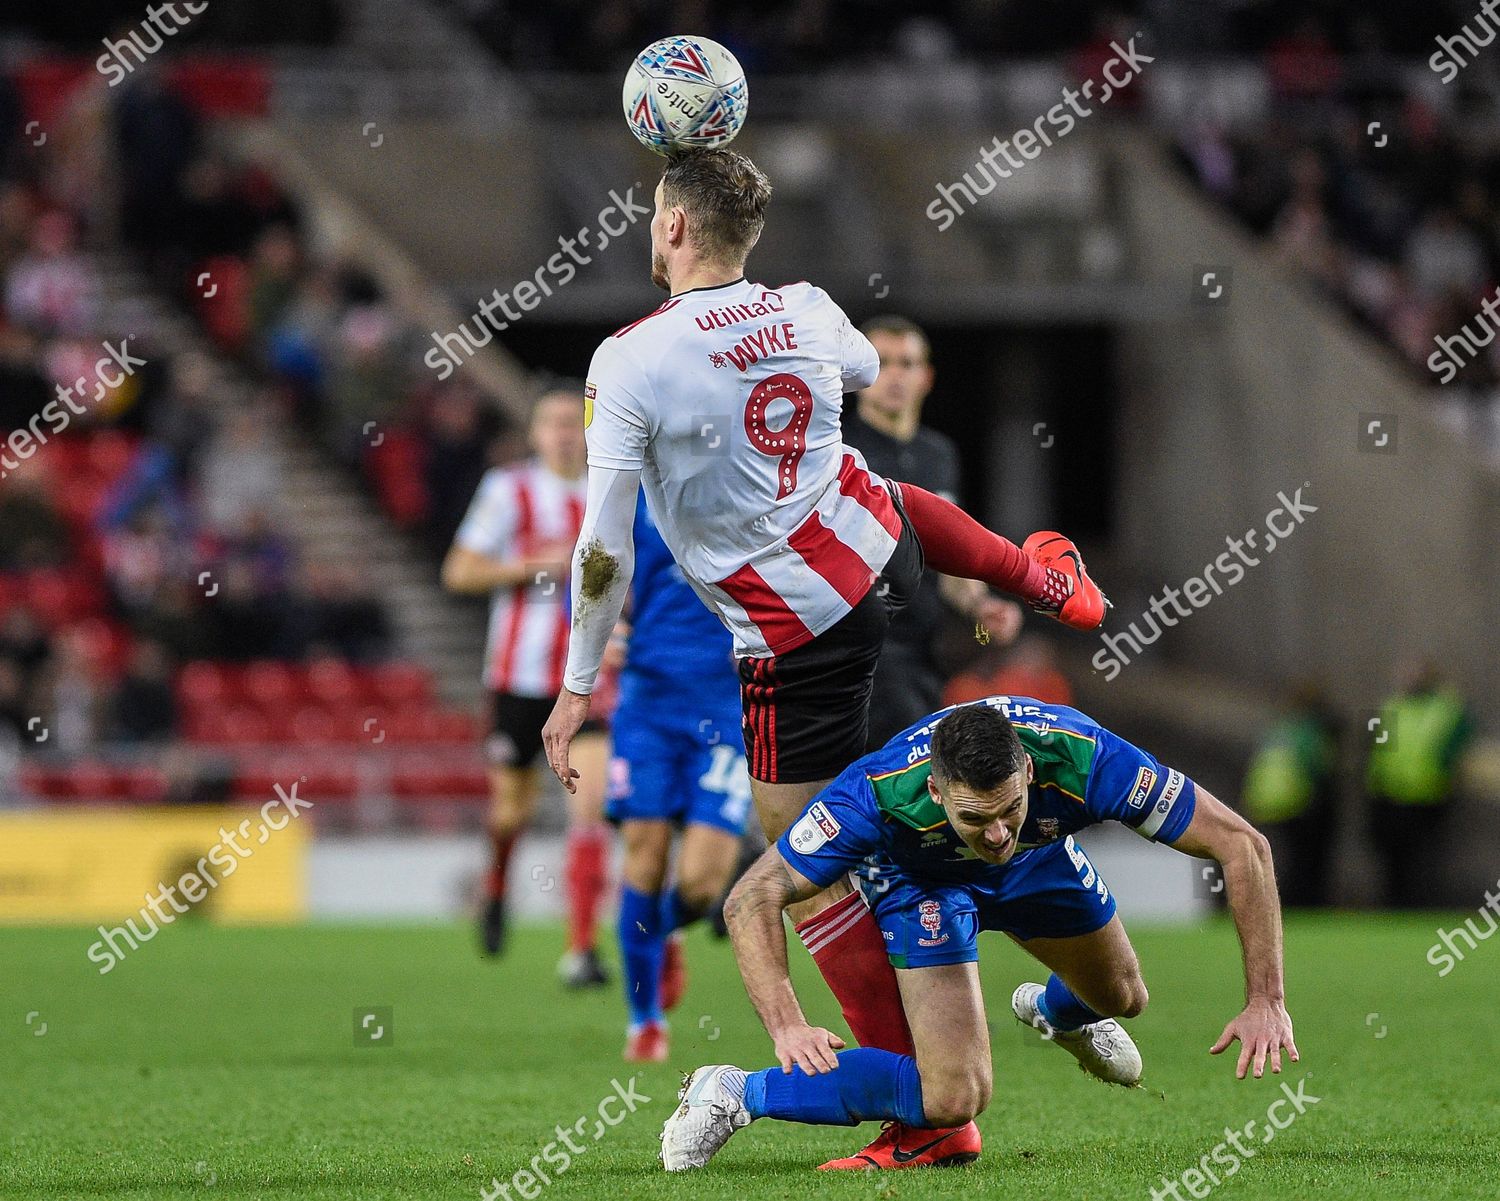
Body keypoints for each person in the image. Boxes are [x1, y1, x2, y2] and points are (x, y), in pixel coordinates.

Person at [540, 147, 1108, 1165]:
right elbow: (856, 371)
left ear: (671, 228)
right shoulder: (804, 305)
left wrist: (579, 683)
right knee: (872, 488)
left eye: (655, 212)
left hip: (796, 637)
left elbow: (603, 548)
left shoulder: (629, 358)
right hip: (886, 562)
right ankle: (1030, 571)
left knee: (806, 862)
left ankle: (921, 1112)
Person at [662, 698, 1298, 1172]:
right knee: (952, 1097)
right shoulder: (879, 793)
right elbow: (751, 898)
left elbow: (1243, 845)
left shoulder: (1083, 758)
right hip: (923, 886)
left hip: (1037, 861)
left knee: (1123, 995)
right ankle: (735, 1092)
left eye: (1009, 808)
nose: (995, 832)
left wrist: (1265, 998)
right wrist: (788, 1026)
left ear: (1026, 770)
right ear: (937, 791)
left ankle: (1052, 1012)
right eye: (975, 817)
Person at [441, 388, 612, 984]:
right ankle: (495, 888)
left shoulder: (612, 489)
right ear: (535, 433)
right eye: (551, 423)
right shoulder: (507, 489)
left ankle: (581, 950)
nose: (564, 433)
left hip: (589, 678)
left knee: (588, 806)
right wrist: (536, 565)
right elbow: (458, 571)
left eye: (573, 423)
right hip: (519, 676)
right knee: (510, 810)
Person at [609, 494, 753, 1062]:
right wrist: (606, 629)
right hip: (647, 705)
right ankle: (644, 1020)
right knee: (643, 854)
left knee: (701, 883)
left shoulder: (744, 482)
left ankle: (661, 930)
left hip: (723, 709)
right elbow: (600, 563)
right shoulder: (632, 489)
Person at [842, 314, 1022, 748]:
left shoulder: (939, 455)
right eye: (882, 362)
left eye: (907, 363)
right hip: (856, 652)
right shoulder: (836, 451)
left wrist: (981, 606)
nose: (895, 375)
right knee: (912, 766)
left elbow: (950, 556)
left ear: (926, 377)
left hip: (924, 650)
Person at [1365, 661, 1474, 909]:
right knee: (1393, 857)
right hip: (1391, 794)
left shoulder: (1445, 708)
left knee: (1423, 859)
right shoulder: (1393, 707)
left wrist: (1445, 769)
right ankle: (1394, 906)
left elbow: (1460, 735)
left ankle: (1422, 906)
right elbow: (1378, 744)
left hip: (1428, 795)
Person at [1241, 683, 1339, 907]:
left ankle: (1273, 903)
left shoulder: (1275, 732)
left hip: (1263, 804)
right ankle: (1300, 904)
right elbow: (1318, 769)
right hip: (1293, 804)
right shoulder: (1308, 733)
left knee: (1272, 860)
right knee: (1302, 862)